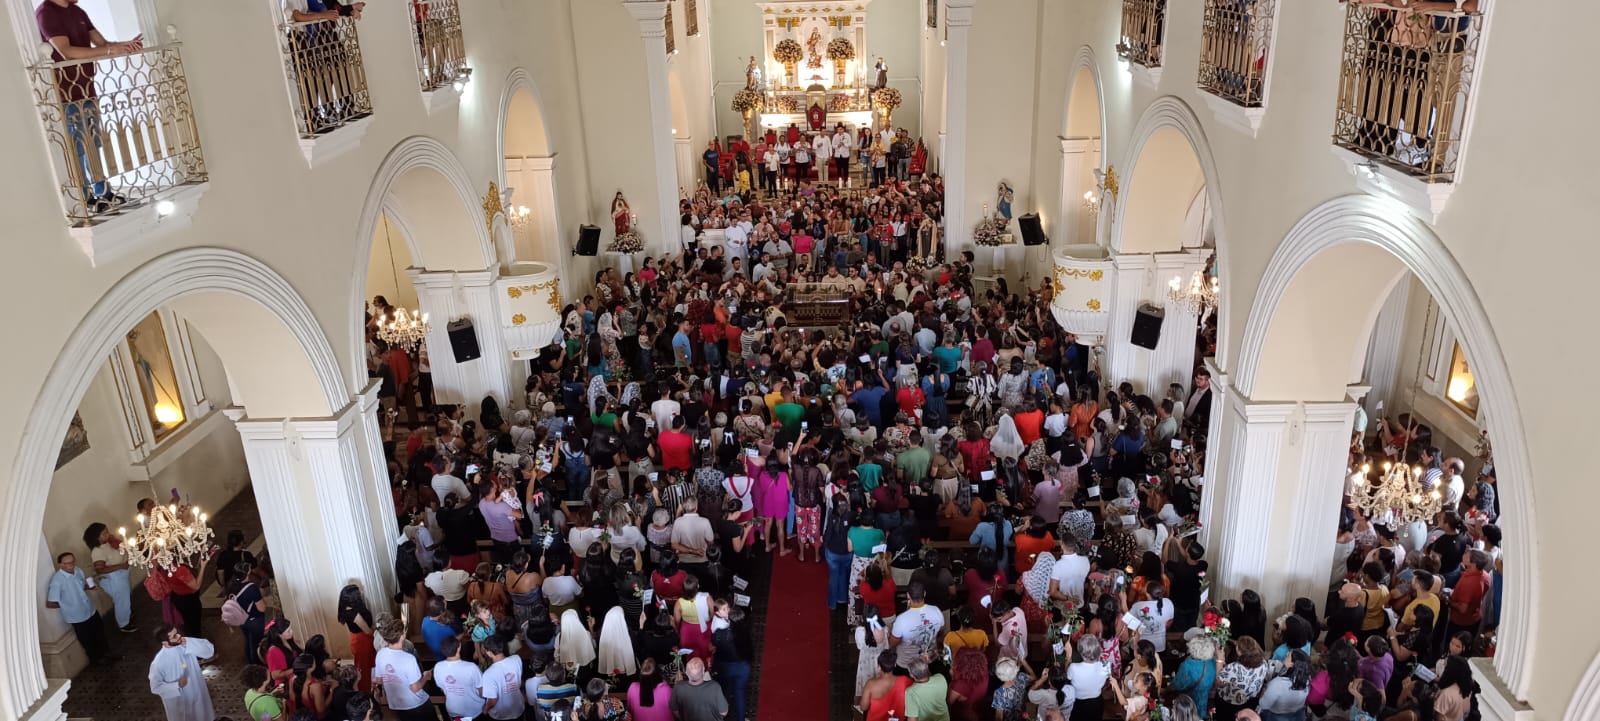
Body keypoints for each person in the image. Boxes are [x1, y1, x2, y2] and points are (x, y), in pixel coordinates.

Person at [36, 0, 143, 213]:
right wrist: (110, 50)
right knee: (77, 146)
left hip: (87, 89)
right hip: (66, 93)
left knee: (93, 143)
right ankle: (85, 198)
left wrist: (124, 46)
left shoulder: (77, 11)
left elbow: (102, 44)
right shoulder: (46, 13)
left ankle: (104, 193)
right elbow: (67, 52)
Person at [45, 552, 109, 665]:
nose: (71, 565)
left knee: (100, 633)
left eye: (73, 562)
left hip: (90, 609)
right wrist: (67, 605)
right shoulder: (57, 581)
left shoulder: (78, 570)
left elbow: (80, 586)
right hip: (77, 616)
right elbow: (50, 603)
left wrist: (88, 587)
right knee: (87, 640)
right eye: (68, 563)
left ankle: (107, 654)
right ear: (60, 565)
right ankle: (97, 661)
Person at [149, 624, 216, 721]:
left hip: (197, 691)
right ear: (165, 643)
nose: (179, 636)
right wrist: (176, 685)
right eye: (174, 636)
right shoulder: (159, 663)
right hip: (180, 702)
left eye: (177, 632)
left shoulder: (184, 644)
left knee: (202, 715)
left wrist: (189, 643)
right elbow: (155, 687)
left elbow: (209, 651)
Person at [372, 615, 433, 721]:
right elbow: (415, 688)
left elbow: (378, 680)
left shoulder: (380, 654)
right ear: (402, 636)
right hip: (416, 704)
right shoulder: (409, 659)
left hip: (396, 704)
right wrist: (426, 677)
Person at [82, 523, 135, 633]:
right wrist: (121, 566)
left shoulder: (110, 542)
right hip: (114, 579)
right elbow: (99, 569)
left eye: (107, 531)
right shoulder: (97, 551)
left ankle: (128, 614)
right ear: (97, 537)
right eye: (104, 533)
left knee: (125, 599)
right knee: (122, 601)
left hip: (121, 575)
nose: (108, 534)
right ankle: (124, 624)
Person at [434, 636, 486, 721]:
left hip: (453, 710)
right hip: (474, 710)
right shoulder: (471, 667)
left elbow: (443, 689)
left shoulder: (438, 667)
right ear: (459, 648)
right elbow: (482, 692)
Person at [670, 657, 728, 721]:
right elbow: (724, 712)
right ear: (703, 671)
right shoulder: (714, 687)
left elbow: (675, 710)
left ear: (686, 672)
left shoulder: (678, 687)